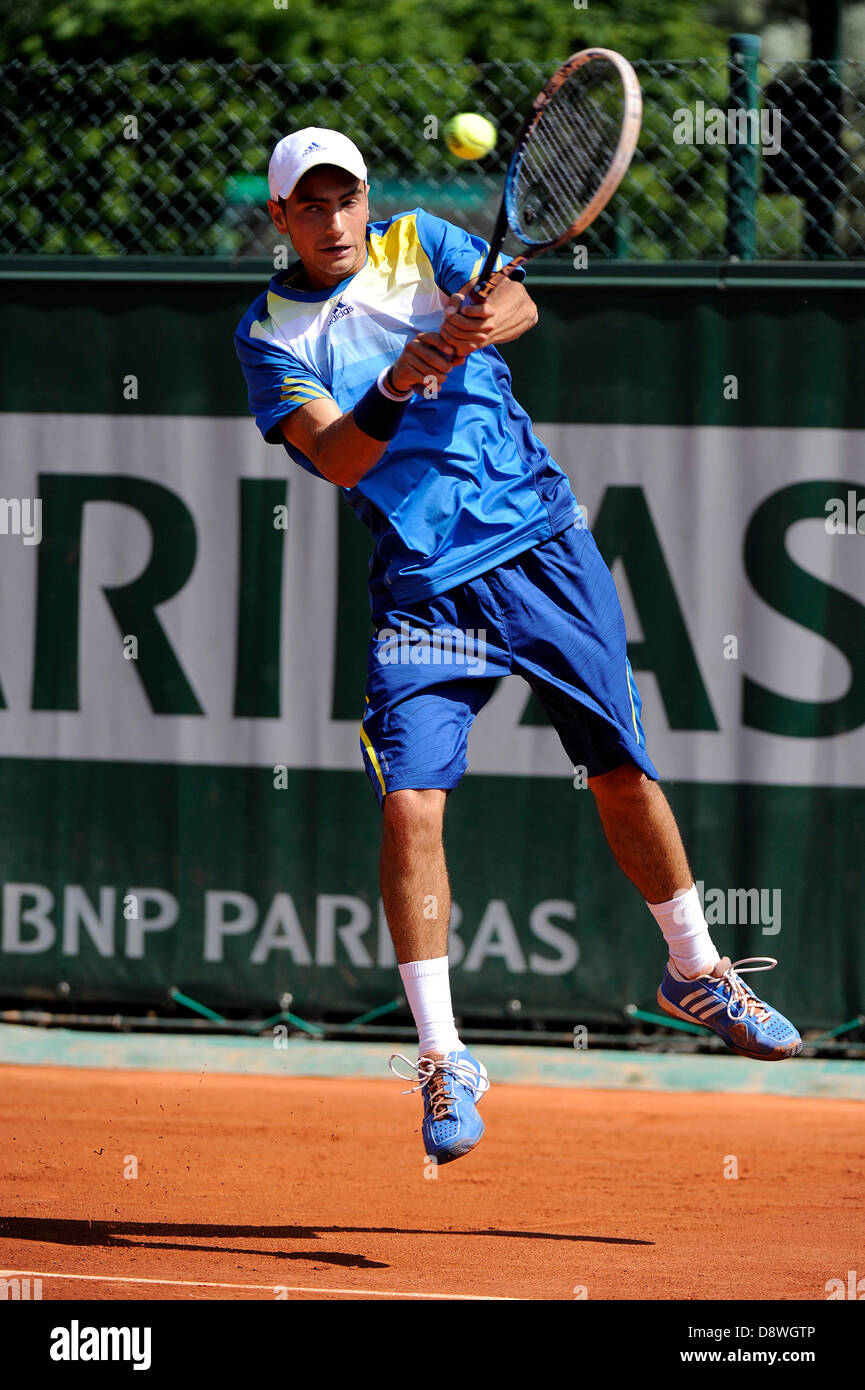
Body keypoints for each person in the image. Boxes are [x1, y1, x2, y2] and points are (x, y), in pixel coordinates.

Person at [234, 127, 802, 1167]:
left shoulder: (428, 241)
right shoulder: (270, 333)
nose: (331, 220)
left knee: (619, 770)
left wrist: (474, 319)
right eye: (307, 206)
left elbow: (517, 303)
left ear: (368, 197)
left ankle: (695, 967)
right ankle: (446, 1058)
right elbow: (336, 457)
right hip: (421, 584)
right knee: (409, 804)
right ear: (279, 219)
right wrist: (402, 377)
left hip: (539, 542)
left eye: (343, 197)